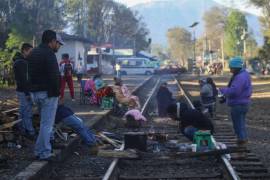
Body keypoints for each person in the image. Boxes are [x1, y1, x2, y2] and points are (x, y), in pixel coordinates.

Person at [28, 30, 64, 160]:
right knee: (47, 124)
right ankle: (44, 153)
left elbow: (29, 74)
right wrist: (57, 94)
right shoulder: (49, 54)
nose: (57, 46)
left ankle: (39, 150)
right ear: (52, 41)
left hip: (35, 93)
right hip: (48, 93)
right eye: (57, 43)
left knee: (44, 124)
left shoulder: (34, 52)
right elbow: (54, 76)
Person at [219, 57, 252, 146]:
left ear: (236, 67)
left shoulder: (240, 77)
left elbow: (234, 91)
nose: (230, 70)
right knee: (241, 124)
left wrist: (222, 90)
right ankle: (243, 140)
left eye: (231, 68)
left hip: (238, 104)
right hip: (243, 103)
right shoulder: (244, 74)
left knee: (238, 125)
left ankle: (242, 142)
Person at [13, 43, 35, 139]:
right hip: (24, 91)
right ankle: (30, 132)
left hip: (21, 90)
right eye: (30, 51)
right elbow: (23, 79)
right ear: (24, 51)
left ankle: (21, 129)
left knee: (22, 111)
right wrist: (27, 93)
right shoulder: (21, 62)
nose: (32, 53)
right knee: (27, 112)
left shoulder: (20, 61)